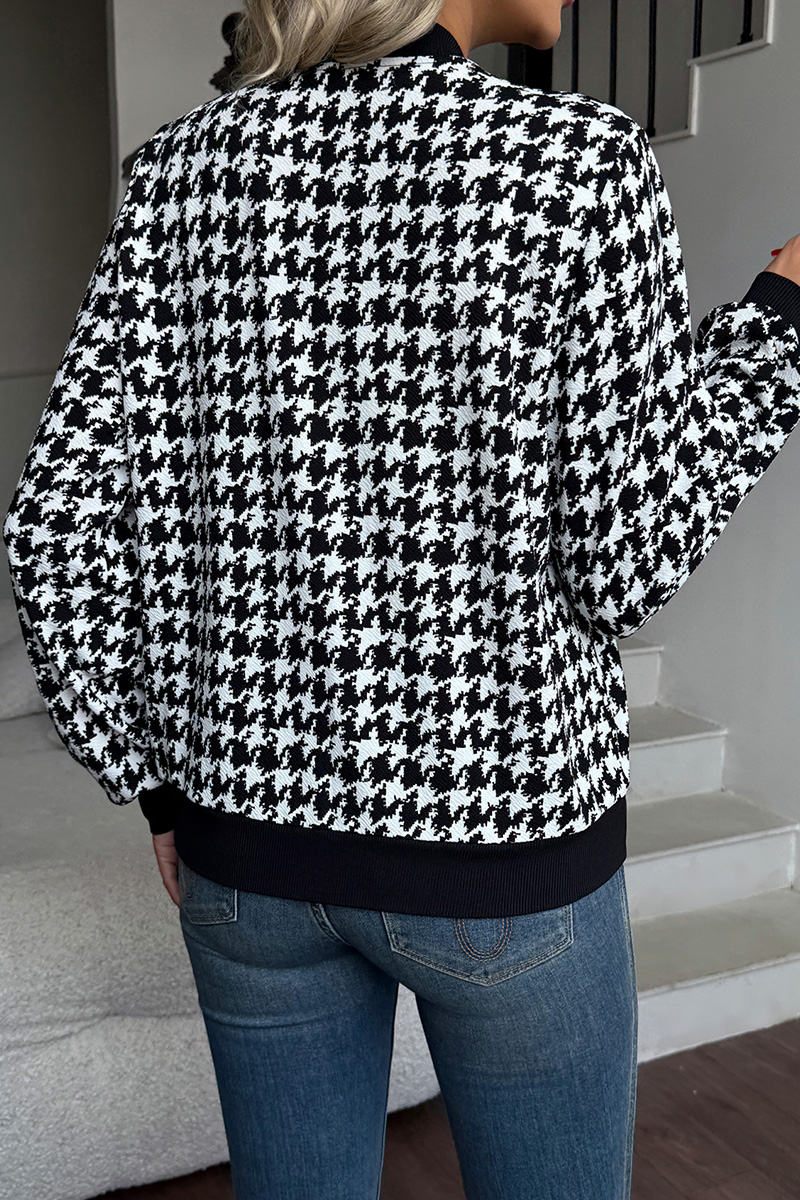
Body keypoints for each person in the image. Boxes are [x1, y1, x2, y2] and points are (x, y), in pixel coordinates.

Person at [4, 0, 800, 1197]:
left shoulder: (180, 174)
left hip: (244, 856)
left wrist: (157, 780)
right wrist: (772, 334)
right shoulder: (575, 162)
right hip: (504, 847)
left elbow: (54, 525)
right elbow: (625, 562)